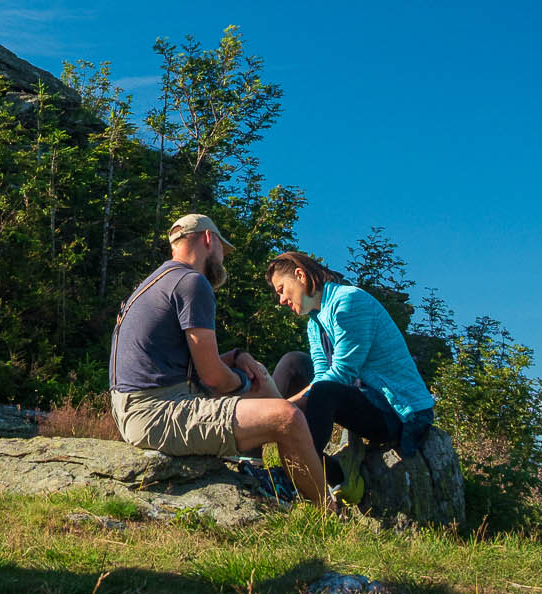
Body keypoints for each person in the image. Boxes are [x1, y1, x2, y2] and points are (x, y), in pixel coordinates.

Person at [108, 214, 333, 506]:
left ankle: (289, 469)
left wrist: (238, 358)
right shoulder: (192, 283)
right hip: (155, 412)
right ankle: (329, 514)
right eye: (221, 252)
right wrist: (245, 381)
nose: (222, 260)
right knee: (285, 418)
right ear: (207, 239)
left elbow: (184, 362)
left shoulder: (154, 282)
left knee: (259, 381)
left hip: (135, 406)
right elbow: (213, 376)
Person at [266, 250, 437, 502]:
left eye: (281, 289)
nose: (280, 299)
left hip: (395, 411)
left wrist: (287, 408)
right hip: (365, 395)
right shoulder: (315, 320)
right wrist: (280, 409)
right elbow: (323, 372)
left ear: (300, 276)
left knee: (324, 392)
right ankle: (261, 452)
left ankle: (293, 477)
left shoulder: (350, 302)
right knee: (294, 362)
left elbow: (342, 374)